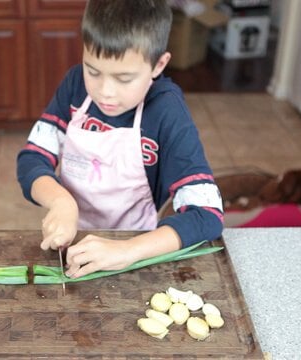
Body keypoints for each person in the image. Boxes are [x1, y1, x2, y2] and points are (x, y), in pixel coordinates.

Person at [16, 0, 223, 279]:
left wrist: (127, 250)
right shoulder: (75, 85)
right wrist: (61, 203)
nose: (105, 92)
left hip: (136, 249)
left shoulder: (166, 111)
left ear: (158, 64)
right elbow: (32, 158)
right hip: (72, 241)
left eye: (124, 78)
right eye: (93, 71)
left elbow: (207, 215)